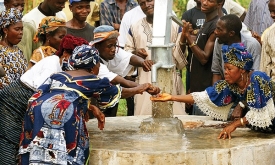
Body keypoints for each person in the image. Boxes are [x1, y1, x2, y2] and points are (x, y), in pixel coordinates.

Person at [19, 44, 159, 164]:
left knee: (37, 150)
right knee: (66, 153)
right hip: (62, 116)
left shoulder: (58, 75)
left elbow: (51, 95)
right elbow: (119, 92)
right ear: (93, 66)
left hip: (35, 112)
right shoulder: (93, 80)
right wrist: (142, 87)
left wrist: (88, 107)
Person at [151, 42, 275, 139]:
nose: (225, 72)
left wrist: (234, 125)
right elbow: (204, 97)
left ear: (242, 69)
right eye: (224, 68)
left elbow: (260, 112)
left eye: (229, 69)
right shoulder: (231, 85)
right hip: (263, 129)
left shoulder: (258, 78)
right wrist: (172, 97)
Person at [0, 34, 87, 165]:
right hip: (14, 99)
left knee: (16, 141)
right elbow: (42, 92)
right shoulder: (52, 62)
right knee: (8, 141)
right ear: (65, 53)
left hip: (26, 99)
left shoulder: (64, 69)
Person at [91, 25, 159, 116]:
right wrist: (144, 87)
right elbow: (119, 80)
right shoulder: (93, 61)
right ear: (98, 46)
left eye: (115, 45)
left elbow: (130, 57)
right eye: (110, 46)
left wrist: (144, 63)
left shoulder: (114, 50)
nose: (113, 49)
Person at [179, 0, 223, 115]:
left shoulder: (216, 26)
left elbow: (204, 58)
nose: (204, 2)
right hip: (198, 89)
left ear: (219, 4)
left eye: (210, 1)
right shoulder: (207, 23)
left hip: (207, 91)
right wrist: (193, 88)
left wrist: (187, 36)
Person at [0, 7, 28, 165]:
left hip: (21, 104)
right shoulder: (0, 52)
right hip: (7, 105)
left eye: (22, 29)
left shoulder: (17, 51)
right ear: (5, 28)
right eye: (16, 29)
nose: (21, 33)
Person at [212, 14, 261, 83]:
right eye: (216, 28)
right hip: (226, 87)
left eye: (219, 30)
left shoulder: (252, 45)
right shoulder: (220, 41)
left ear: (231, 33)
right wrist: (216, 92)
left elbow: (255, 75)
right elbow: (216, 72)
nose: (215, 32)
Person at [259, 0, 275, 81]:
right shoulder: (268, 34)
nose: (272, 15)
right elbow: (264, 66)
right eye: (270, 11)